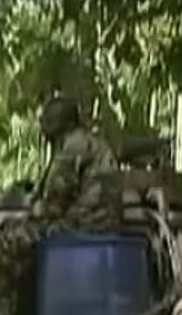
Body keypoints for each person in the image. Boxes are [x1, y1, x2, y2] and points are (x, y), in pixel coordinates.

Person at [33, 97, 122, 233]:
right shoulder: (94, 141)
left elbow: (56, 203)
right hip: (107, 222)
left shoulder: (73, 146)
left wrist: (37, 208)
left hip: (82, 224)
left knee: (1, 243)